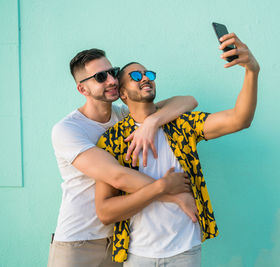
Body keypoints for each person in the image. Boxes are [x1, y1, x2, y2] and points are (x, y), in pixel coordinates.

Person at [95, 32, 260, 267]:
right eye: (135, 75)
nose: (145, 78)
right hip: (138, 254)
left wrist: (252, 71)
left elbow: (239, 119)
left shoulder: (180, 124)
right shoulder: (113, 141)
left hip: (185, 251)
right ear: (122, 93)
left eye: (149, 74)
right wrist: (161, 187)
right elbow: (105, 212)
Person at [48, 48, 199, 267]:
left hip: (121, 240)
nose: (111, 80)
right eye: (101, 77)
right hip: (78, 242)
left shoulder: (123, 115)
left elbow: (187, 101)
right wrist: (173, 194)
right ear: (82, 89)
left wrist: (151, 122)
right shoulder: (68, 130)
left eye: (112, 72)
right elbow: (118, 176)